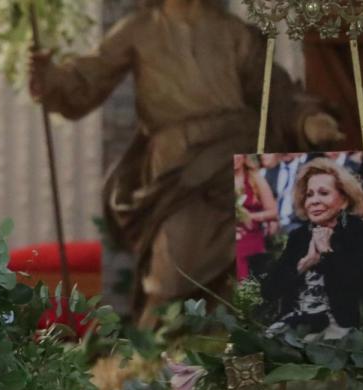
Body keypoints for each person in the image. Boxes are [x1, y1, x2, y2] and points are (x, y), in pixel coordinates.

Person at [28, 0, 344, 327]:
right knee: (173, 267)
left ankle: (231, 355)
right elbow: (87, 77)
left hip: (236, 156)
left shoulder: (232, 32)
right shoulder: (140, 29)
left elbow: (275, 93)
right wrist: (51, 80)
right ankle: (150, 358)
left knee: (250, 264)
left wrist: (308, 121)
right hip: (180, 169)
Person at [262, 158, 363, 338]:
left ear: (344, 200)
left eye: (323, 193)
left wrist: (326, 253)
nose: (314, 201)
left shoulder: (362, 233)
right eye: (309, 195)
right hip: (294, 326)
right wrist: (304, 264)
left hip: (341, 327)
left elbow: (357, 290)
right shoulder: (299, 236)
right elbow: (269, 291)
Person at [235, 154, 279, 279]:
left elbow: (273, 212)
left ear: (244, 157)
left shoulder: (255, 178)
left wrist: (250, 216)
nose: (235, 158)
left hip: (252, 235)